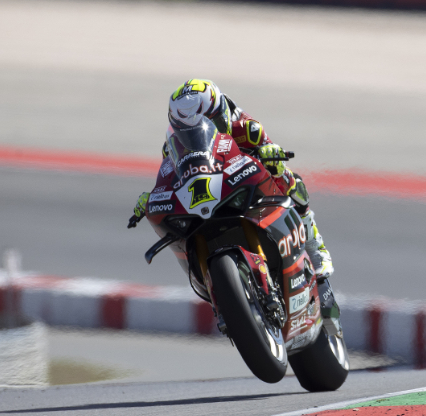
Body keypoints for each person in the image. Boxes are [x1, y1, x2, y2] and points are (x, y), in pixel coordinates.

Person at [130, 79, 340, 332]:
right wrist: (152, 196)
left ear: (221, 113)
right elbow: (169, 174)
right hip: (208, 195)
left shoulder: (247, 128)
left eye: (209, 122)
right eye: (188, 129)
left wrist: (273, 158)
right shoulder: (172, 147)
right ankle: (221, 296)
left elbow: (270, 151)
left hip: (245, 186)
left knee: (293, 182)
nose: (198, 131)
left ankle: (318, 264)